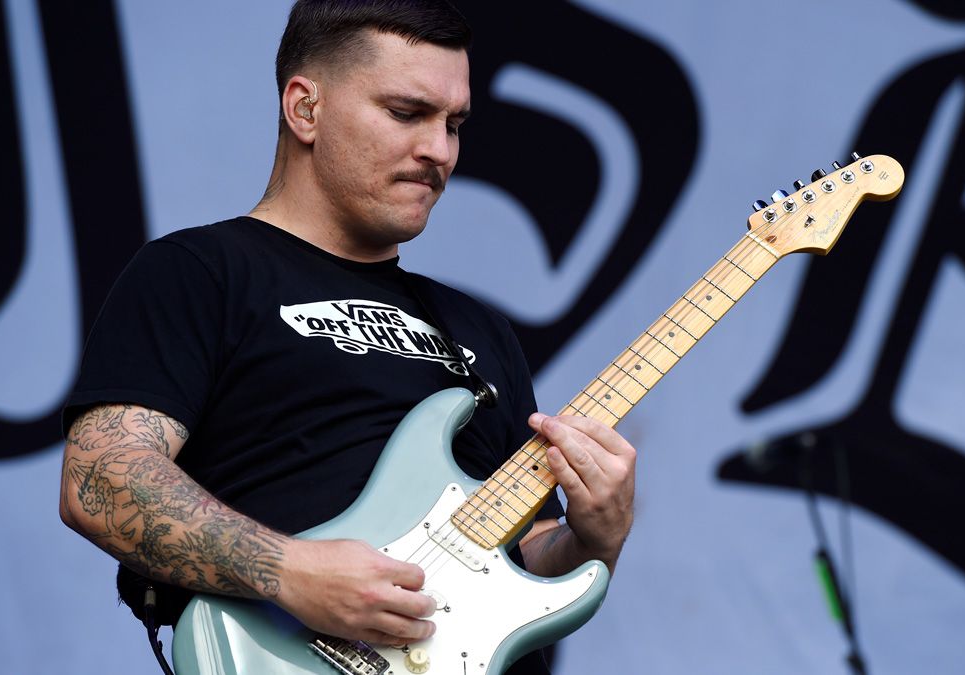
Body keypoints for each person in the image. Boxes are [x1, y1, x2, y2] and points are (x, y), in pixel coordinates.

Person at [59, 1, 636, 673]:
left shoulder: (479, 332)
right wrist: (291, 572)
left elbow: (525, 556)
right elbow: (99, 479)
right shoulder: (198, 272)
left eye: (454, 124)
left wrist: (595, 535)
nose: (440, 150)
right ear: (305, 108)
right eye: (406, 113)